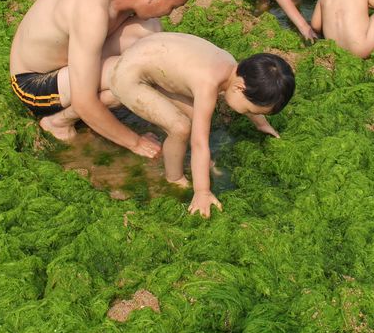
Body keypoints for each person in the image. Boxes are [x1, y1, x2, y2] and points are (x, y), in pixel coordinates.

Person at [9, 0, 199, 157]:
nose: (169, 13)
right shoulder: (91, 10)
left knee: (150, 31)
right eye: (172, 7)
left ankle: (94, 91)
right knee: (130, 75)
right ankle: (58, 122)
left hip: (69, 59)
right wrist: (135, 142)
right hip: (34, 82)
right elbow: (84, 103)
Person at [110, 33, 294, 217]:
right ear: (239, 87)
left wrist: (261, 124)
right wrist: (202, 191)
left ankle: (201, 165)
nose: (252, 115)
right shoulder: (208, 84)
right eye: (253, 112)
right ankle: (173, 177)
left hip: (149, 56)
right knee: (180, 127)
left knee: (195, 115)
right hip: (129, 76)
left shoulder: (233, 67)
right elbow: (199, 143)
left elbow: (248, 96)